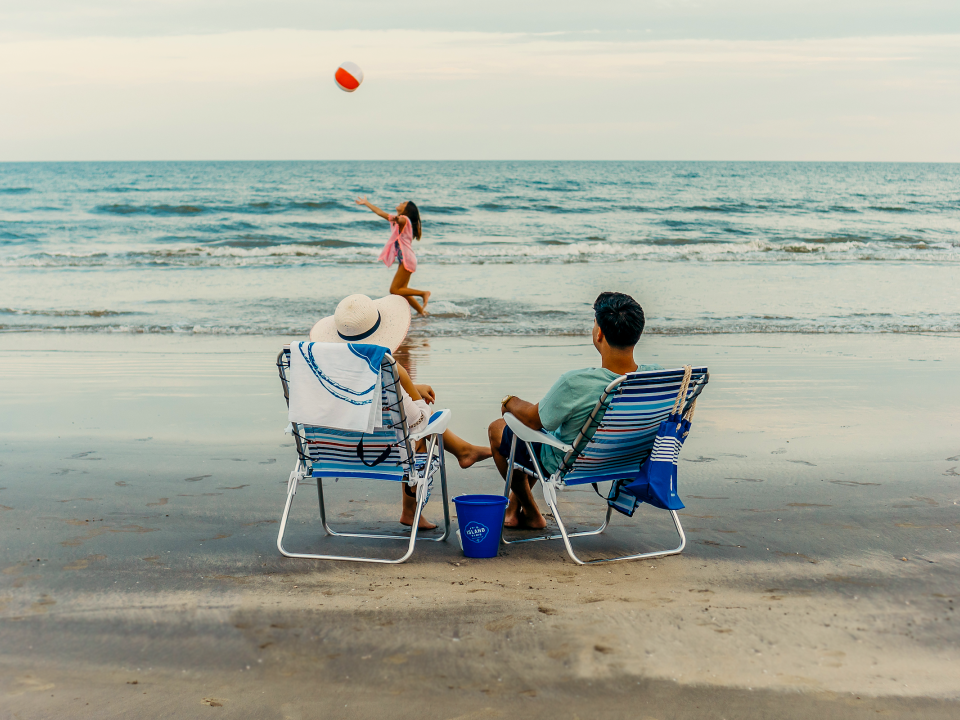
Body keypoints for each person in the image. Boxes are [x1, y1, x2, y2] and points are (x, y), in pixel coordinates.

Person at [310, 293, 490, 528]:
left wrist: (408, 386)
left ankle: (464, 451)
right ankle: (459, 456)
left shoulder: (323, 372)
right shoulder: (390, 370)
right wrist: (407, 383)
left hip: (334, 454)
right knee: (420, 430)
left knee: (401, 426)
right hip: (384, 452)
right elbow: (420, 422)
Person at [487, 292, 663, 529]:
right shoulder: (656, 377)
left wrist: (509, 401)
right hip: (626, 459)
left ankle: (530, 511)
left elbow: (533, 420)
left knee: (500, 429)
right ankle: (514, 504)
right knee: (534, 438)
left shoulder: (575, 383)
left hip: (572, 462)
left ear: (599, 333)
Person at [355, 196, 430, 315]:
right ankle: (422, 312)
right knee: (402, 291)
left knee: (394, 290)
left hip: (407, 259)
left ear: (407, 209)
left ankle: (423, 293)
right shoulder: (405, 221)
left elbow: (384, 214)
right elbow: (383, 214)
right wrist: (366, 203)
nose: (400, 203)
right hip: (407, 259)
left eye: (403, 203)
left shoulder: (403, 219)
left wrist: (367, 203)